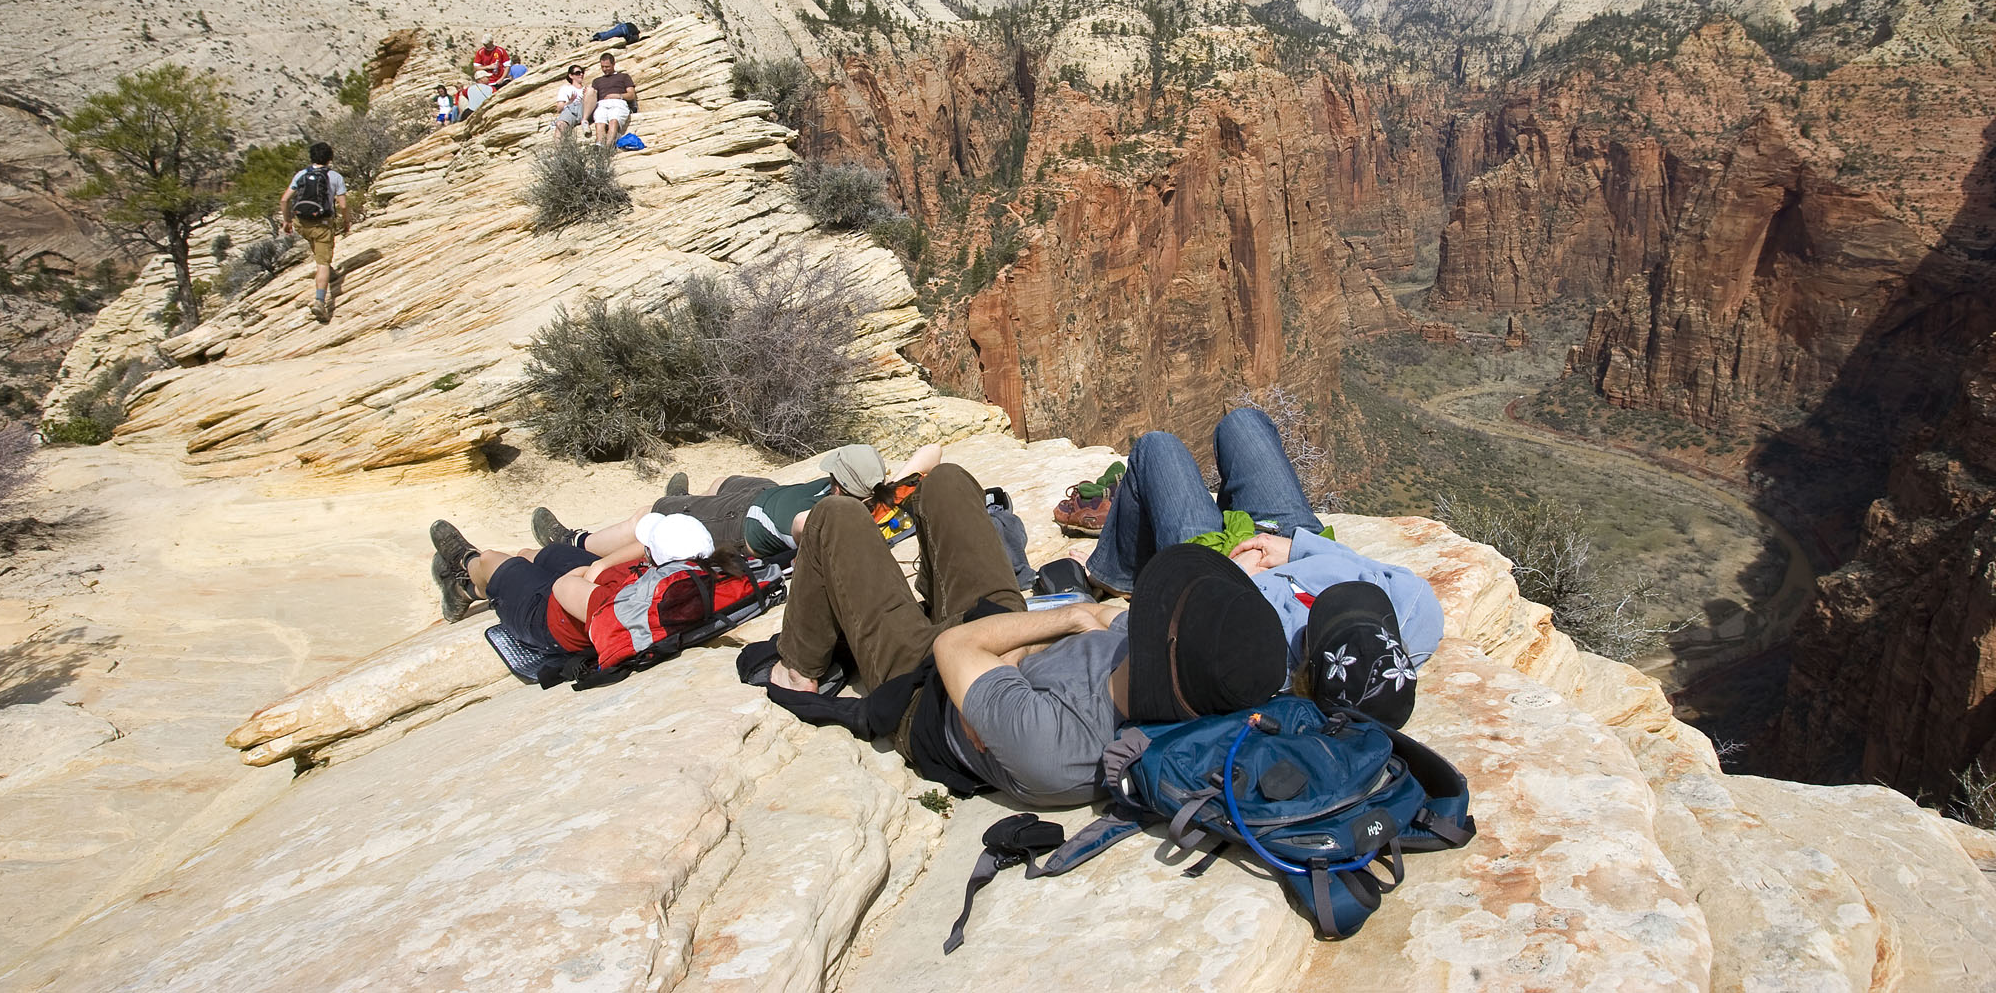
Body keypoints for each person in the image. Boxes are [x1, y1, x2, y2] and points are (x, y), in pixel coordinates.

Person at [763, 464, 1289, 807]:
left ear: (1165, 647)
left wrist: (1071, 618)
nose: (1149, 608)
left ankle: (799, 664)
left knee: (835, 518)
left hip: (923, 687)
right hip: (994, 645)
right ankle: (928, 592)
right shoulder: (1156, 662)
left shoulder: (1058, 747)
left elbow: (954, 650)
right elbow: (1106, 619)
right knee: (947, 481)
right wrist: (1027, 645)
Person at [1083, 407, 1443, 674]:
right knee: (1242, 422)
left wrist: (1231, 581)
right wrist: (1299, 549)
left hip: (1216, 569)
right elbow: (1411, 588)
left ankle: (1113, 575)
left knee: (1156, 447)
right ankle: (1224, 520)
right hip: (1292, 542)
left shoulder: (1268, 666)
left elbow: (1197, 633)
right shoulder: (1409, 621)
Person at [530, 443, 945, 569]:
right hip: (765, 493)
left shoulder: (819, 518)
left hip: (736, 525)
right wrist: (890, 483)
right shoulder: (880, 497)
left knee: (651, 516)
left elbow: (814, 530)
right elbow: (933, 450)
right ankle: (688, 501)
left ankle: (574, 541)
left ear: (839, 483)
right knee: (719, 482)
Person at [428, 509, 735, 652]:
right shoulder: (699, 571)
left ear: (654, 560)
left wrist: (585, 574)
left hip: (546, 618)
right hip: (591, 590)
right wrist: (600, 564)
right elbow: (644, 550)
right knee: (534, 554)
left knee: (493, 560)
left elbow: (565, 588)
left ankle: (466, 574)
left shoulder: (622, 603)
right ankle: (471, 579)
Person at [278, 141, 349, 323]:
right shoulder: (335, 177)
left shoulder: (301, 174)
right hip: (322, 223)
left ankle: (329, 271)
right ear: (330, 158)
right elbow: (343, 205)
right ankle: (320, 301)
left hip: (301, 222)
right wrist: (346, 223)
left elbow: (285, 200)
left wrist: (286, 221)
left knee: (315, 244)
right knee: (322, 263)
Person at [586, 51, 637, 147]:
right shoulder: (597, 81)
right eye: (602, 67)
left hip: (618, 102)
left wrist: (618, 95)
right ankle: (599, 145)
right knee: (600, 123)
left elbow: (631, 95)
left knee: (613, 121)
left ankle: (607, 148)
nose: (605, 69)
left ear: (614, 64)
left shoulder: (624, 77)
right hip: (601, 104)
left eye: (607, 67)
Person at [552, 64, 586, 135]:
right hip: (571, 111)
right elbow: (559, 108)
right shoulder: (566, 89)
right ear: (571, 76)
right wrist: (570, 101)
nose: (581, 74)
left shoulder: (587, 89)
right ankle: (559, 146)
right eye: (577, 73)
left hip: (584, 111)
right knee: (560, 124)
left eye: (582, 72)